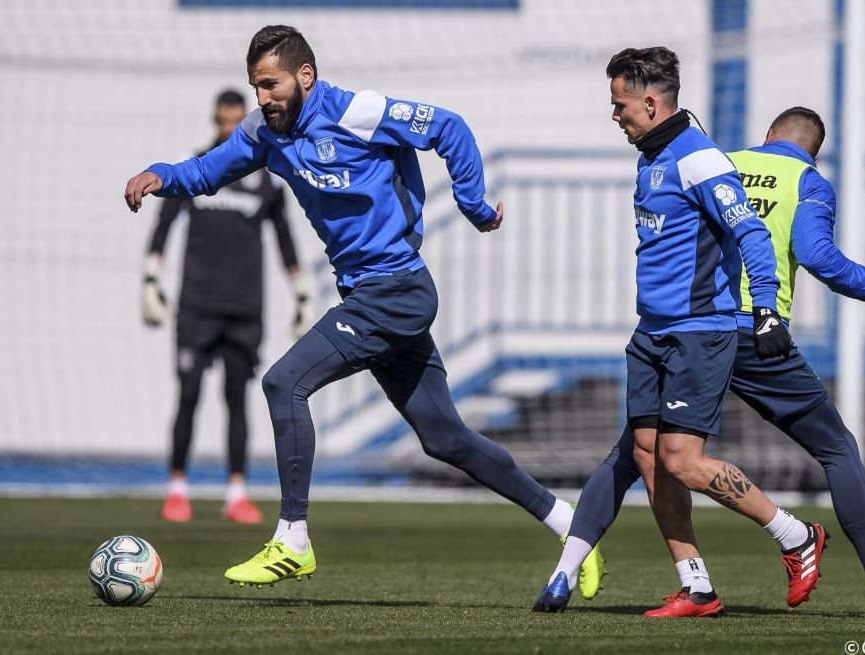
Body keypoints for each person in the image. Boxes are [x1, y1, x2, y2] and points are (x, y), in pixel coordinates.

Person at [124, 24, 604, 593]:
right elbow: (207, 171)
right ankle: (571, 524)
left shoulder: (358, 111)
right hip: (367, 295)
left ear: (305, 76)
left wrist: (473, 205)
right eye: (256, 87)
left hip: (397, 290)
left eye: (272, 84)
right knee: (445, 438)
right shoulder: (264, 132)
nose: (263, 98)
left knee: (283, 383)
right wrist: (161, 176)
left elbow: (448, 127)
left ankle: (293, 540)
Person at [533, 47, 825, 616]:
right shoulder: (650, 155)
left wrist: (765, 308)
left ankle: (796, 536)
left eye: (620, 105)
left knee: (683, 461)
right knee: (646, 457)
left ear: (650, 101)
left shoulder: (700, 159)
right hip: (652, 334)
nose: (614, 115)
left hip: (700, 332)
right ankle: (697, 586)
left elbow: (752, 235)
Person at [634, 107, 865, 618]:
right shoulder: (808, 182)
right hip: (753, 334)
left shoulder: (719, 160)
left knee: (639, 448)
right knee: (837, 449)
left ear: (767, 136)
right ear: (814, 153)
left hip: (685, 327)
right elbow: (818, 255)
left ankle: (575, 558)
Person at [142, 89, 310, 525]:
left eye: (236, 120)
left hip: (244, 307)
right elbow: (164, 223)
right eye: (222, 120)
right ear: (215, 119)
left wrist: (302, 294)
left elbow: (285, 236)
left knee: (237, 398)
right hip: (197, 304)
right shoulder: (195, 167)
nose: (228, 128)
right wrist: (150, 278)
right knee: (190, 394)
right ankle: (176, 488)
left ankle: (236, 492)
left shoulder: (267, 175)